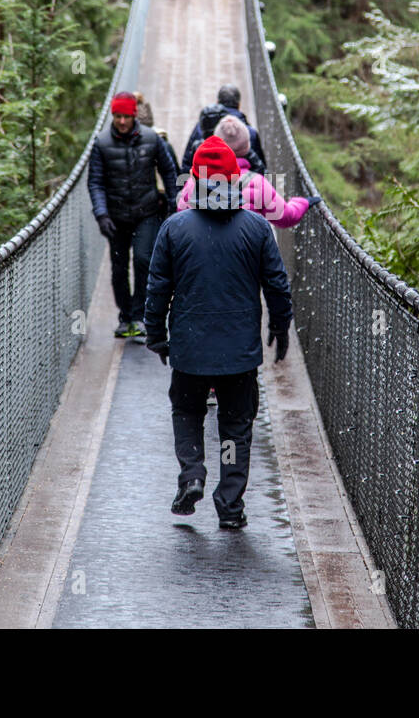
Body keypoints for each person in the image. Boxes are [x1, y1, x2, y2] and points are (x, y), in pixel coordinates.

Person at [145, 135, 293, 529]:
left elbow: (158, 286)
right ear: (234, 180)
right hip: (239, 353)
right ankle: (229, 504)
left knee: (188, 410)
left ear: (194, 179)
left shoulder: (174, 228)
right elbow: (277, 284)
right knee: (233, 426)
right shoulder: (257, 228)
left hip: (190, 349)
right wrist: (280, 325)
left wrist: (156, 333)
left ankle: (192, 473)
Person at [88, 92, 179, 338]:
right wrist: (102, 214)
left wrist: (173, 205)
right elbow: (95, 182)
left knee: (142, 259)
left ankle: (139, 317)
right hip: (116, 217)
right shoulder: (101, 143)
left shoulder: (152, 139)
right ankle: (124, 316)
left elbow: (170, 172)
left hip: (146, 213)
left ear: (134, 115)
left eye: (125, 116)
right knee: (119, 267)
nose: (121, 121)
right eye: (117, 116)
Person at [177, 116, 319, 226]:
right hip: (243, 255)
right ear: (246, 147)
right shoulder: (256, 182)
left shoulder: (194, 181)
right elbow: (285, 216)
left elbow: (181, 213)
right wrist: (302, 202)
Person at [180, 84, 266, 174]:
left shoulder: (201, 127)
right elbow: (260, 166)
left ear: (217, 102)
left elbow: (187, 162)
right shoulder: (250, 132)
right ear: (239, 104)